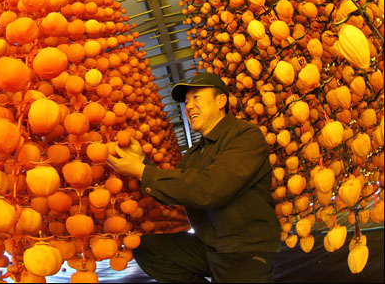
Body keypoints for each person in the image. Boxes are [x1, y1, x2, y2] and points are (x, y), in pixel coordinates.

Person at [106, 72, 281, 283]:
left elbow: (211, 189)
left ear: (221, 100)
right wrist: (142, 162)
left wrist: (142, 171)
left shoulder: (245, 136)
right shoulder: (195, 152)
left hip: (244, 249)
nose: (188, 106)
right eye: (186, 101)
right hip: (211, 246)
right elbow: (180, 189)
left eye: (196, 97)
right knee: (147, 249)